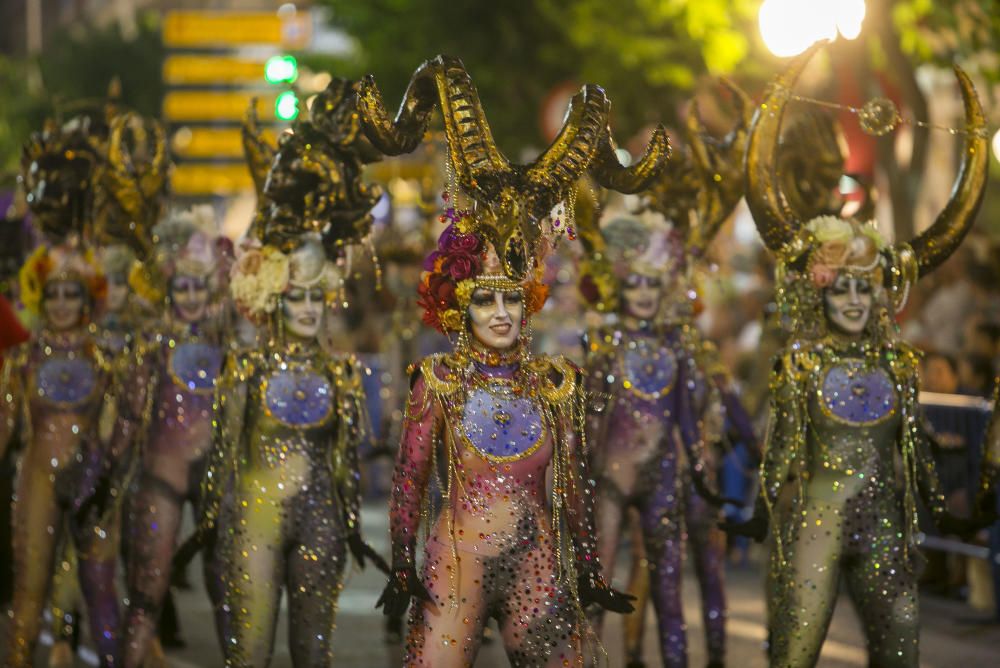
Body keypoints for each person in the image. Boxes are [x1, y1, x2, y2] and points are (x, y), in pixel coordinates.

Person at [363, 55, 669, 666]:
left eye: (511, 297)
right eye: (486, 299)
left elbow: (575, 490)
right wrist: (402, 565)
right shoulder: (439, 381)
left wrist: (587, 570)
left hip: (539, 570)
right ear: (461, 301)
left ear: (529, 299)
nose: (500, 313)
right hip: (456, 567)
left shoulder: (557, 384)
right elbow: (409, 481)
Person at [724, 48, 987, 667]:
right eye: (839, 286)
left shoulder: (899, 365)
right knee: (795, 654)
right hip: (815, 526)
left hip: (887, 532)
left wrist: (949, 506)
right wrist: (762, 514)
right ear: (820, 291)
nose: (850, 298)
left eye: (862, 288)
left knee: (901, 653)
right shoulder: (803, 363)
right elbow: (783, 450)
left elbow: (915, 447)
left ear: (879, 296)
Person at [188, 78, 388, 667]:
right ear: (274, 296)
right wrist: (210, 525)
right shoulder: (245, 369)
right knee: (248, 655)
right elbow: (223, 457)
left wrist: (352, 526)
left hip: (323, 523)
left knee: (313, 656)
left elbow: (348, 461)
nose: (306, 308)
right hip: (254, 518)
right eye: (295, 296)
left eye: (314, 297)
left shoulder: (345, 375)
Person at [1, 119, 121, 667]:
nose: (64, 303)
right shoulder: (24, 359)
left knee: (95, 597)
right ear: (40, 296)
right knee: (29, 593)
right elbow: (5, 428)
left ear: (88, 297)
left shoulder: (105, 358)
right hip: (37, 479)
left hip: (93, 482)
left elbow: (117, 427)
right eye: (55, 294)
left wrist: (103, 476)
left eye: (74, 293)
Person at [117, 204, 233, 667]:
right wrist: (107, 473)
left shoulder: (227, 342)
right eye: (179, 286)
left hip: (215, 477)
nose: (189, 295)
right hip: (160, 475)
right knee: (147, 588)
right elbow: (128, 414)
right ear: (167, 288)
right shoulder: (150, 345)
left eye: (197, 285)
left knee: (228, 589)